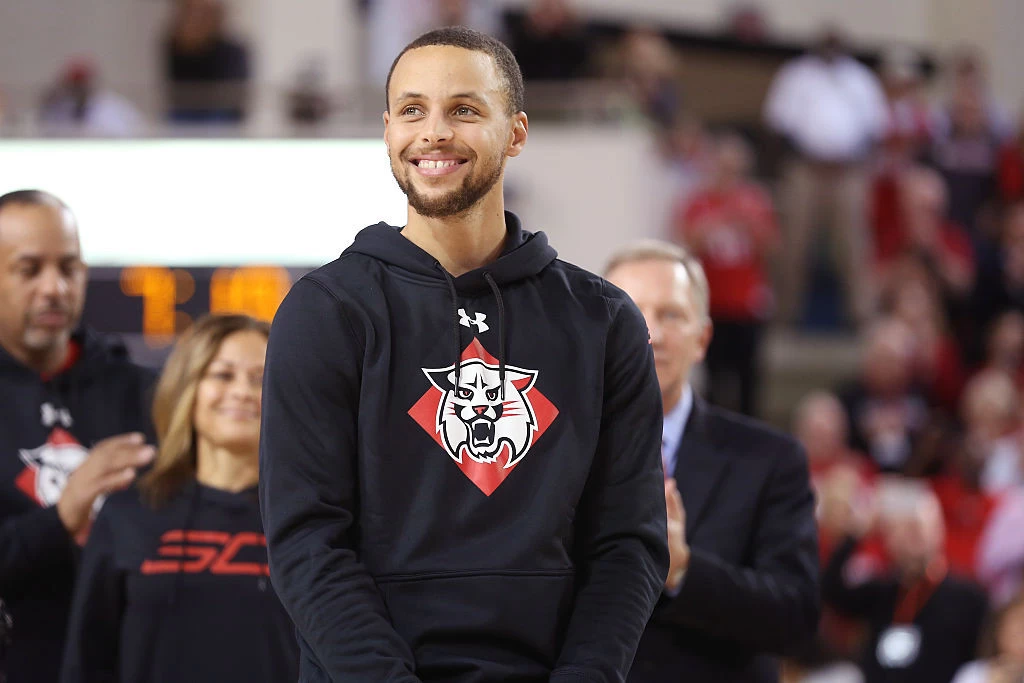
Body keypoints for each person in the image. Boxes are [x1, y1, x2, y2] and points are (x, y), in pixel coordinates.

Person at [259, 26, 668, 683]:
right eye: (412, 110)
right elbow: (307, 542)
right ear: (387, 130)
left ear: (516, 133)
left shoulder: (603, 320)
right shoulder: (325, 311)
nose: (434, 132)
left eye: (464, 110)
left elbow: (629, 545)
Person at [604, 240, 819, 683]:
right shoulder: (550, 449)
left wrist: (683, 570)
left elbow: (796, 618)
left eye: (671, 314)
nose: (652, 332)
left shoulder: (770, 460)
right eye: (632, 311)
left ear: (702, 339)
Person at [60, 314, 297, 683]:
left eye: (261, 378)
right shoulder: (127, 514)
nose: (242, 391)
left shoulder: (308, 519)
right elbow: (87, 662)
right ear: (187, 387)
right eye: (223, 375)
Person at [0, 190, 156, 683]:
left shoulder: (145, 393)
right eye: (29, 270)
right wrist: (64, 515)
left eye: (69, 267)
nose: (55, 288)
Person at [822, 479, 988, 683]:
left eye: (919, 527)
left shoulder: (969, 597)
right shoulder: (882, 592)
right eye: (903, 528)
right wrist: (856, 533)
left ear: (939, 530)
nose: (913, 537)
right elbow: (831, 590)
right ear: (886, 536)